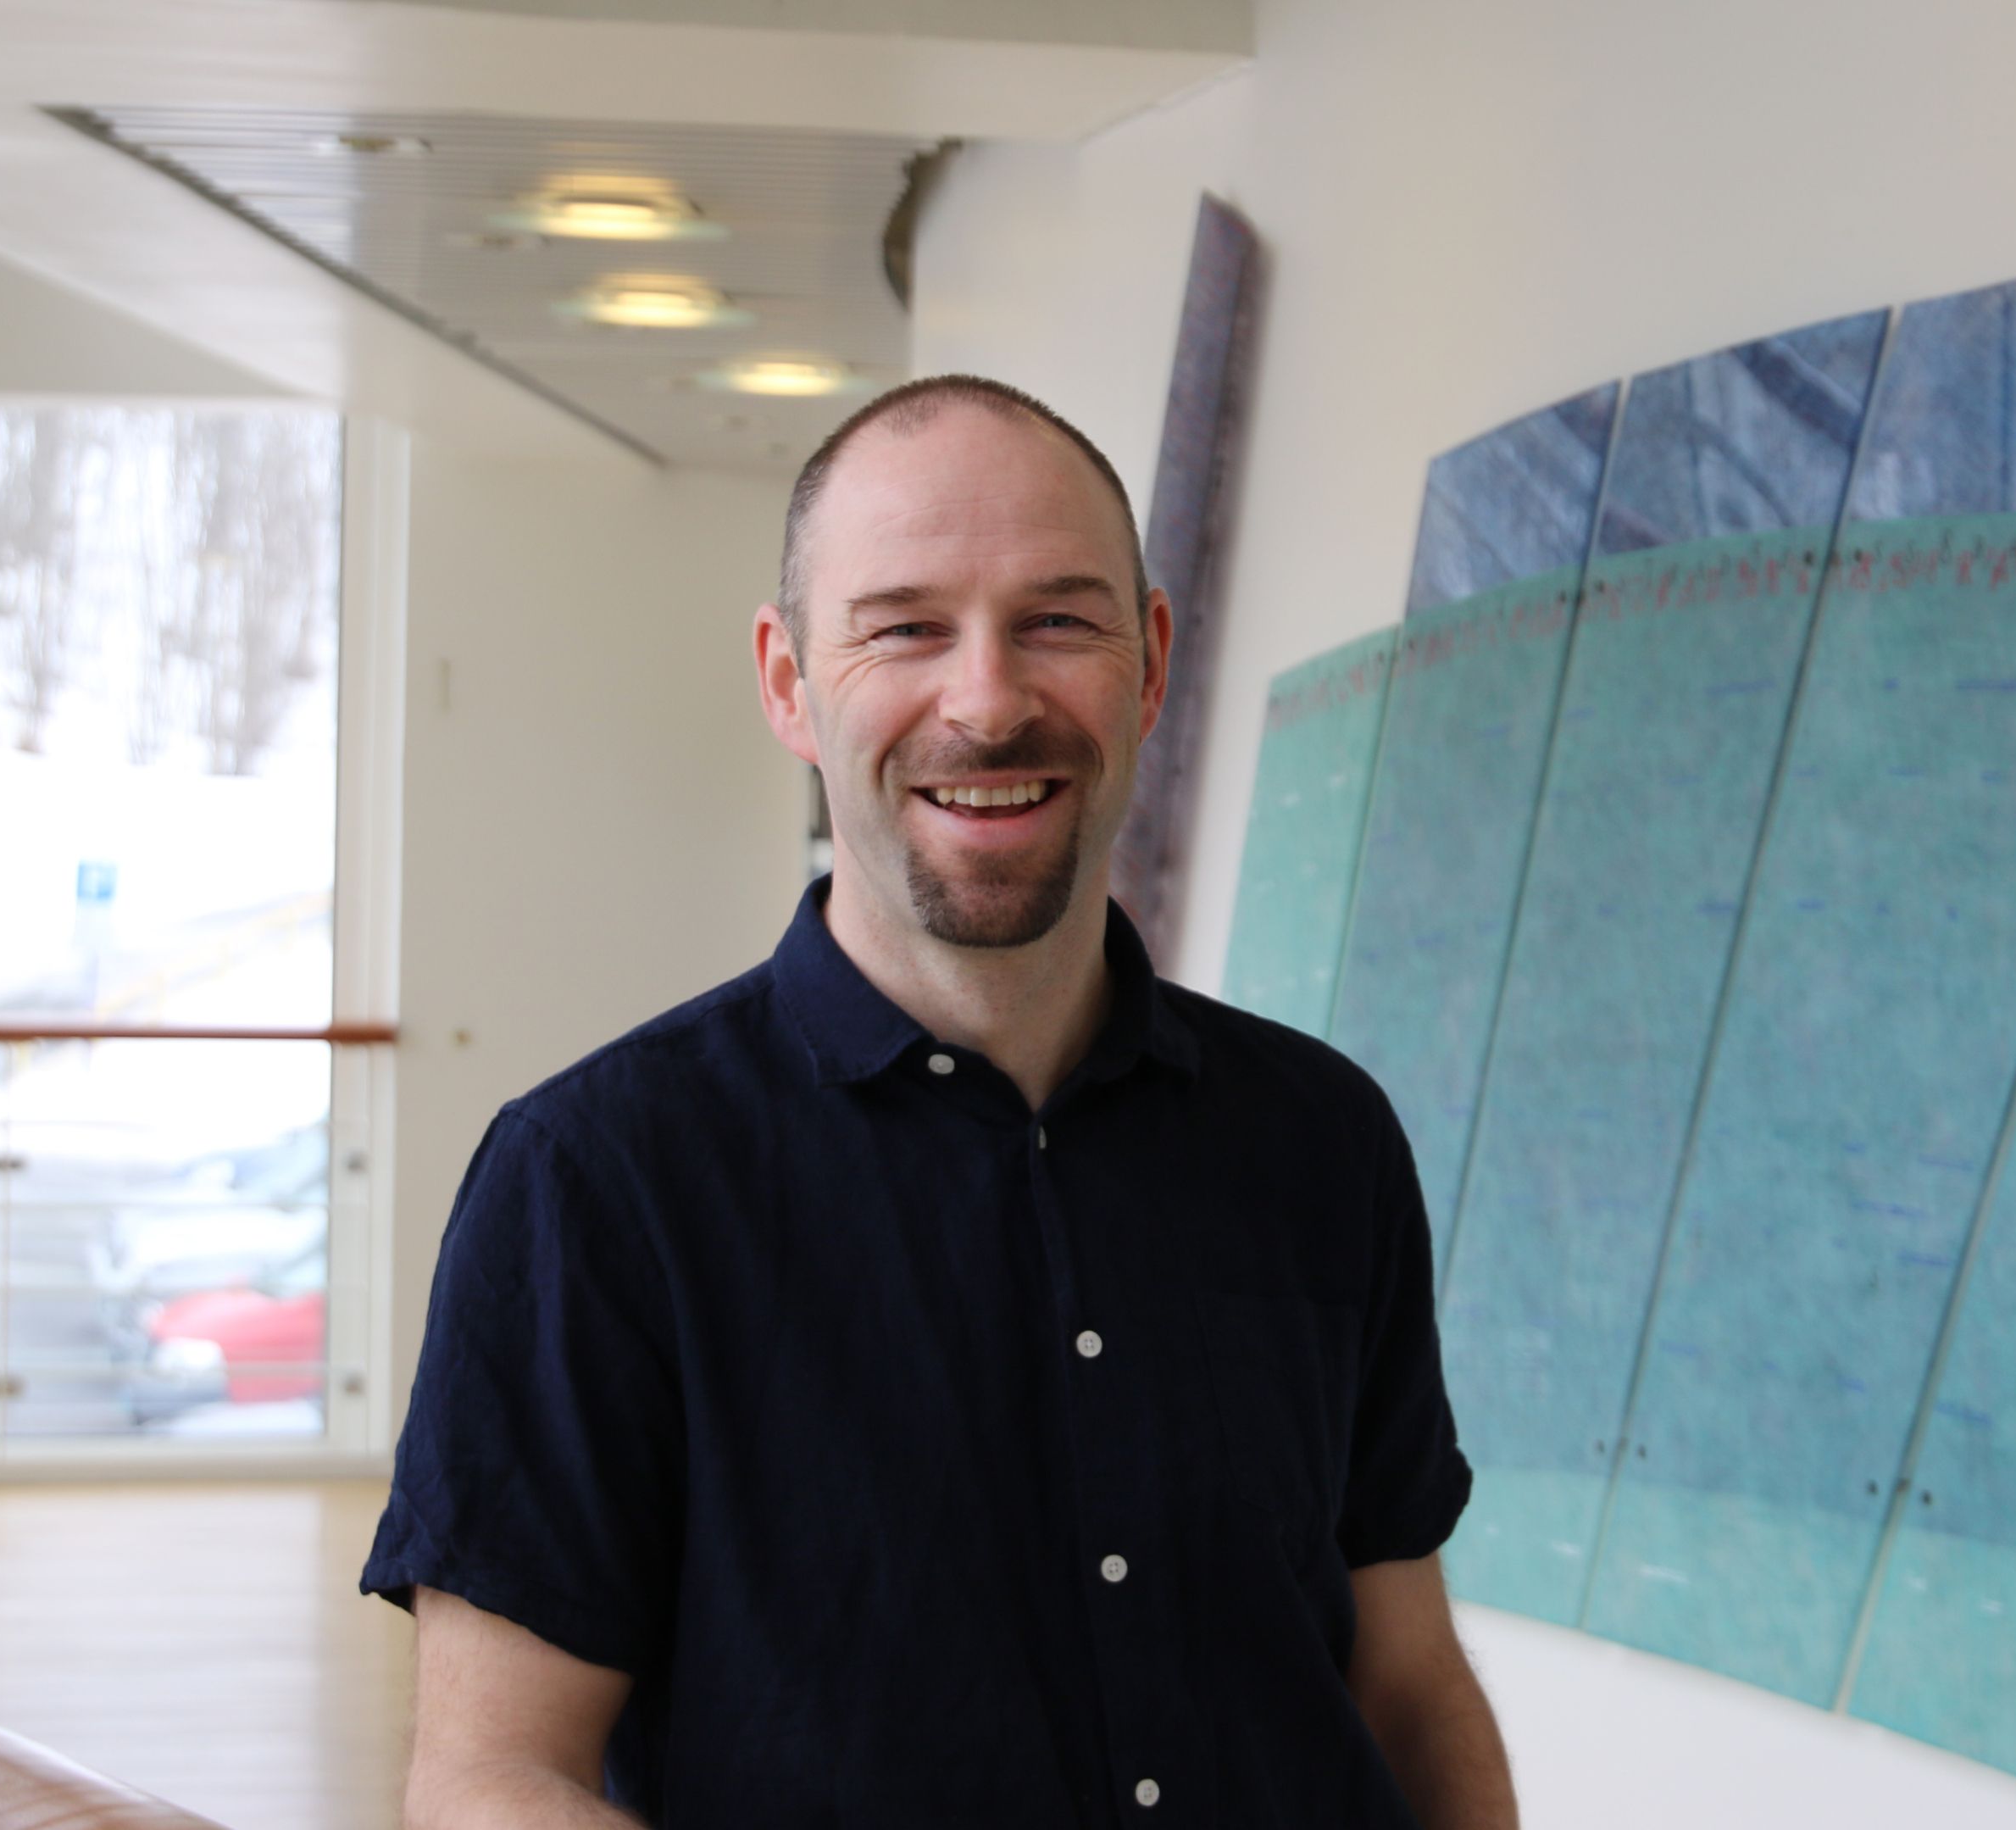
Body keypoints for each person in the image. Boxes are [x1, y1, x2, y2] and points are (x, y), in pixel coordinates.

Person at [360, 375, 1520, 1828]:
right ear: (789, 681)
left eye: (1059, 622)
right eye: (905, 628)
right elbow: (490, 1779)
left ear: (1152, 664)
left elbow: (1407, 1684)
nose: (988, 701)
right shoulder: (595, 1180)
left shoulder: (1323, 1138)